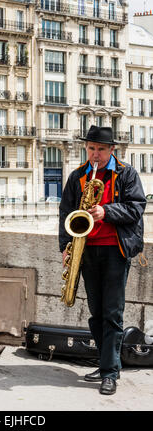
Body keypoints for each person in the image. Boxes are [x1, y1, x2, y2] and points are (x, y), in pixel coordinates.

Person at [59, 125, 147, 395]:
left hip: (115, 250)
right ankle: (108, 362)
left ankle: (109, 372)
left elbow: (136, 207)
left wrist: (105, 211)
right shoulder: (78, 176)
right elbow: (65, 212)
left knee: (112, 312)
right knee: (96, 312)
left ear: (112, 149)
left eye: (100, 149)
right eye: (91, 149)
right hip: (86, 249)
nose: (95, 155)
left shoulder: (127, 173)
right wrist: (65, 246)